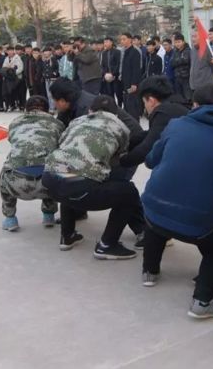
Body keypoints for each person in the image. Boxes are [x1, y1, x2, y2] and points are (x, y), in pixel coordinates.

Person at [140, 84, 213, 318]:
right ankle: (203, 300)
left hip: (154, 209)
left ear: (195, 106)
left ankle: (150, 271)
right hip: (198, 222)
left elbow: (150, 161)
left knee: (156, 210)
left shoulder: (176, 126)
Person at [43, 96, 142, 259]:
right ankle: (107, 245)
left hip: (49, 181)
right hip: (78, 188)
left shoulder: (77, 121)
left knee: (69, 171)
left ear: (90, 111)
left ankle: (67, 236)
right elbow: (117, 159)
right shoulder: (121, 127)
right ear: (115, 114)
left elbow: (62, 144)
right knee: (128, 192)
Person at [0, 95, 65, 232]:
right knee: (53, 164)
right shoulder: (57, 124)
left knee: (4, 173)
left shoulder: (15, 122)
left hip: (17, 184)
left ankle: (10, 219)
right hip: (47, 185)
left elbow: (12, 141)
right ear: (48, 110)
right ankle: (49, 215)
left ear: (26, 110)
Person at [118, 75, 188, 169]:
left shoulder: (163, 113)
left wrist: (120, 161)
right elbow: (152, 133)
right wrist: (126, 142)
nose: (145, 107)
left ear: (151, 101)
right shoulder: (176, 106)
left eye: (144, 103)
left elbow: (147, 148)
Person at [120, 32, 144, 120]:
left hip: (132, 85)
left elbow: (136, 70)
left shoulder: (135, 52)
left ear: (130, 40)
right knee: (127, 106)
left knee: (133, 107)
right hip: (125, 83)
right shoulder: (124, 52)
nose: (122, 41)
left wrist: (134, 84)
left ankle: (136, 127)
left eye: (124, 39)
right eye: (121, 39)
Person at [100, 36, 123, 106]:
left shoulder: (117, 52)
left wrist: (113, 74)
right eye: (104, 42)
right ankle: (113, 108)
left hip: (115, 77)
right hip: (107, 77)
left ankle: (120, 107)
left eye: (107, 42)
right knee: (110, 94)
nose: (105, 44)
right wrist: (105, 74)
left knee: (119, 94)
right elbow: (103, 65)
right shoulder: (104, 53)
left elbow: (118, 64)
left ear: (111, 42)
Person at [171, 33, 192, 102]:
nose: (177, 44)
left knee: (188, 98)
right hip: (177, 77)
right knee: (179, 98)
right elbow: (172, 63)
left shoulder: (188, 50)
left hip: (186, 78)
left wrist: (178, 61)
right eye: (176, 42)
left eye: (179, 42)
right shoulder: (175, 51)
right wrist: (180, 60)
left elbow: (186, 60)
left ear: (183, 41)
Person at [41, 47, 60, 112]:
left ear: (50, 52)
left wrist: (54, 73)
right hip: (46, 79)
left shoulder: (53, 59)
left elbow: (57, 68)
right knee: (48, 94)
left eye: (47, 51)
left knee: (52, 94)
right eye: (45, 52)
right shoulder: (44, 60)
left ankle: (52, 108)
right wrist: (43, 74)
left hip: (53, 79)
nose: (46, 53)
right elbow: (43, 68)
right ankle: (51, 107)